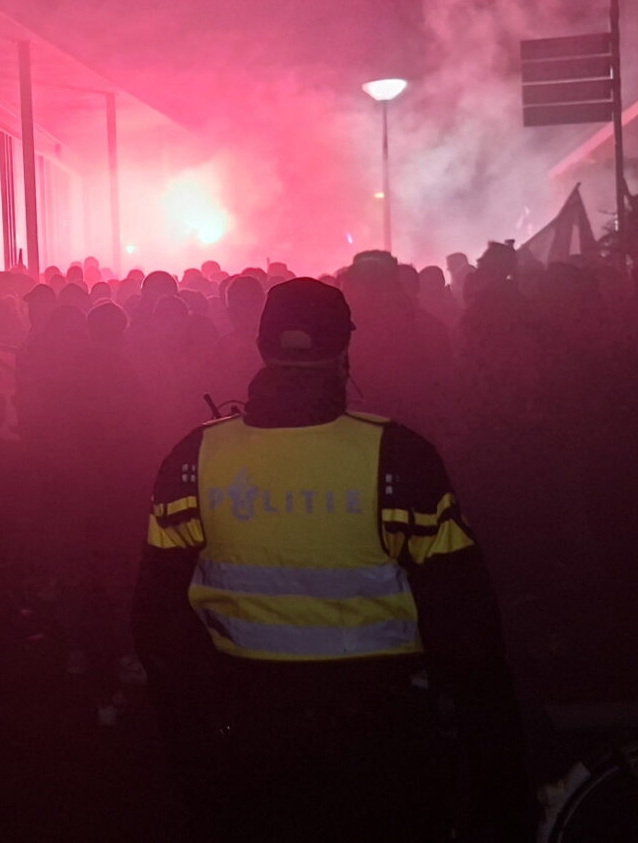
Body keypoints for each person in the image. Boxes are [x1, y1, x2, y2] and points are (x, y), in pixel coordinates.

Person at [133, 278, 529, 842]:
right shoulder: (400, 458)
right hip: (382, 741)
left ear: (260, 346)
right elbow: (467, 629)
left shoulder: (193, 459)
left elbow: (158, 624)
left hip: (248, 743)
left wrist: (193, 746)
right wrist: (499, 777)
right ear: (344, 349)